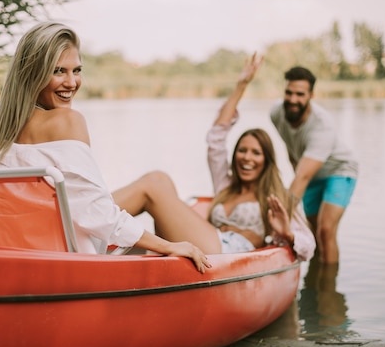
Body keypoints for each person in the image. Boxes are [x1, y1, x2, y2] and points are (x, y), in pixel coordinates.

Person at [0, 22, 211, 273]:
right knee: (157, 191)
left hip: (20, 260)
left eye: (77, 70)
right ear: (33, 73)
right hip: (72, 267)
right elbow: (99, 215)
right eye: (58, 71)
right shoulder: (67, 121)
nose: (72, 82)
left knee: (157, 184)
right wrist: (169, 246)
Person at [113, 54, 315, 261]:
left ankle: (87, 214)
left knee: (151, 189)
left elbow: (308, 246)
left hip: (228, 252)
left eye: (256, 153)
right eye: (242, 150)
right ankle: (89, 220)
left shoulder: (277, 197)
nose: (247, 158)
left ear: (267, 161)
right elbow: (216, 140)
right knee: (158, 178)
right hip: (210, 242)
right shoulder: (225, 186)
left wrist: (286, 233)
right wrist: (241, 86)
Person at [270, 67, 358, 265]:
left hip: (339, 170)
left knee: (325, 231)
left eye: (300, 94)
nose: (293, 99)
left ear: (311, 95)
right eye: (289, 92)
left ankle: (327, 289)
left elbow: (302, 178)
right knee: (313, 234)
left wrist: (280, 217)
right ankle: (314, 277)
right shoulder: (276, 113)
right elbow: (292, 150)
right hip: (310, 174)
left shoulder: (322, 125)